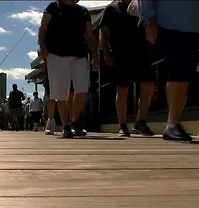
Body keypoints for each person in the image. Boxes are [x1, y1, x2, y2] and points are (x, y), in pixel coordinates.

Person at [139, 1, 199, 141]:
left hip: (194, 28)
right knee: (178, 68)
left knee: (187, 73)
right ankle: (172, 123)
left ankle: (174, 121)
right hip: (169, 25)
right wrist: (150, 20)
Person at [39, 0, 99, 138]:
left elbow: (90, 35)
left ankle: (74, 120)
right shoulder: (53, 7)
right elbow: (43, 29)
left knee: (82, 89)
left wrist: (95, 56)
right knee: (61, 93)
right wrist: (43, 48)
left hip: (80, 55)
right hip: (56, 55)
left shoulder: (83, 11)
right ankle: (66, 126)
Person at [100, 0, 156, 137]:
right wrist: (106, 53)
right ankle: (122, 125)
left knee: (148, 84)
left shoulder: (141, 6)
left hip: (141, 51)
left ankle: (140, 122)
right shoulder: (111, 9)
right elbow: (103, 33)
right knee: (122, 88)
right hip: (120, 54)